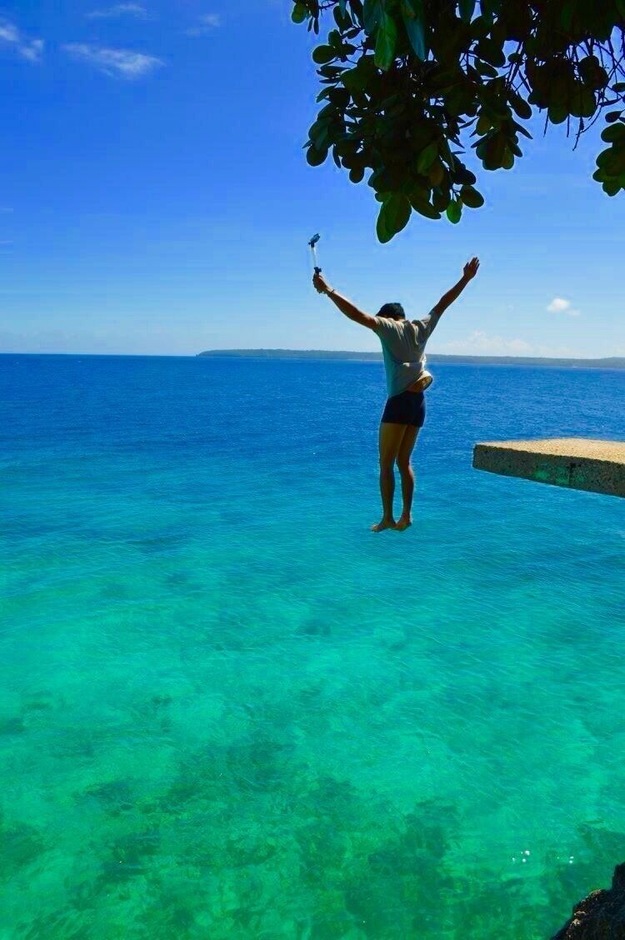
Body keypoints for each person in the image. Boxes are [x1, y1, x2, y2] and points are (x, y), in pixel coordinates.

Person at [313, 257, 480, 531]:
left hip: (399, 401)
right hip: (418, 404)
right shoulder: (421, 327)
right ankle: (407, 515)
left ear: (389, 317)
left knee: (385, 464)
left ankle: (387, 518)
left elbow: (358, 315)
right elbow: (443, 304)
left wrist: (329, 290)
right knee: (404, 461)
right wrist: (465, 278)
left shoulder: (388, 327)